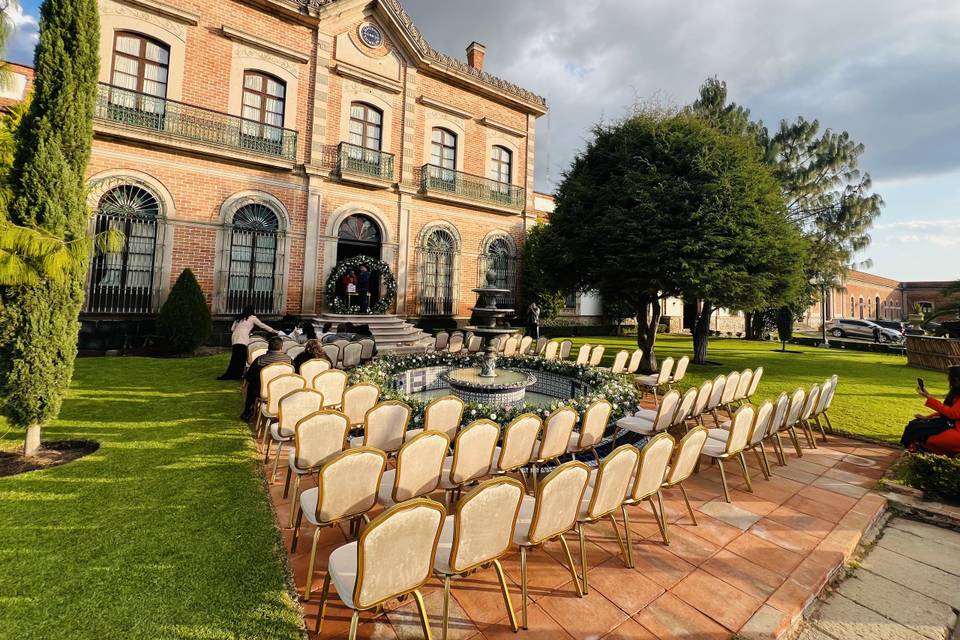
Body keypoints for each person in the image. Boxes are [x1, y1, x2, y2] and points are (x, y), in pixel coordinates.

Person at [902, 366, 960, 455]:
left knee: (924, 433)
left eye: (951, 378)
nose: (950, 381)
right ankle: (920, 451)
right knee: (916, 424)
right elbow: (945, 412)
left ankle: (924, 451)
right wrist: (926, 417)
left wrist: (929, 397)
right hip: (949, 424)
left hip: (956, 430)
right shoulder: (956, 392)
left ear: (956, 379)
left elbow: (952, 413)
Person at [218, 305, 279, 380]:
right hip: (243, 338)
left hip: (235, 337)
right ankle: (238, 375)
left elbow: (232, 329)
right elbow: (262, 325)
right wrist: (274, 331)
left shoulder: (238, 318)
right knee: (242, 357)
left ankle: (231, 374)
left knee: (235, 357)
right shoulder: (252, 318)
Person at [241, 336, 292, 422]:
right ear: (281, 347)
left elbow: (249, 377)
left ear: (268, 346)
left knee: (251, 386)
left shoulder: (260, 360)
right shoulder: (289, 360)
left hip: (264, 391)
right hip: (284, 390)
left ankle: (248, 412)